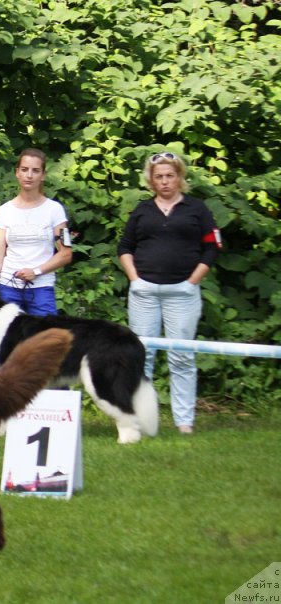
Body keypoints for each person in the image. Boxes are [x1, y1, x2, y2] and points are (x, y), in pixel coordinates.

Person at [118, 151, 220, 434]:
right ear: (151, 180)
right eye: (159, 177)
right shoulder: (142, 210)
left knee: (182, 357)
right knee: (142, 356)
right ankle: (143, 420)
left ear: (179, 177)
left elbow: (213, 247)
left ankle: (184, 422)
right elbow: (124, 247)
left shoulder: (197, 209)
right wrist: (135, 280)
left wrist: (192, 282)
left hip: (183, 293)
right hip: (144, 293)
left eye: (170, 176)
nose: (164, 182)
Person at [0, 148, 72, 316]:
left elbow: (65, 254)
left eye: (35, 171)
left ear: (43, 175)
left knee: (45, 340)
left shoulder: (55, 210)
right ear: (17, 173)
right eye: (24, 169)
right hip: (8, 289)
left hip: (41, 289)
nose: (29, 175)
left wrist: (36, 271)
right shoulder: (4, 210)